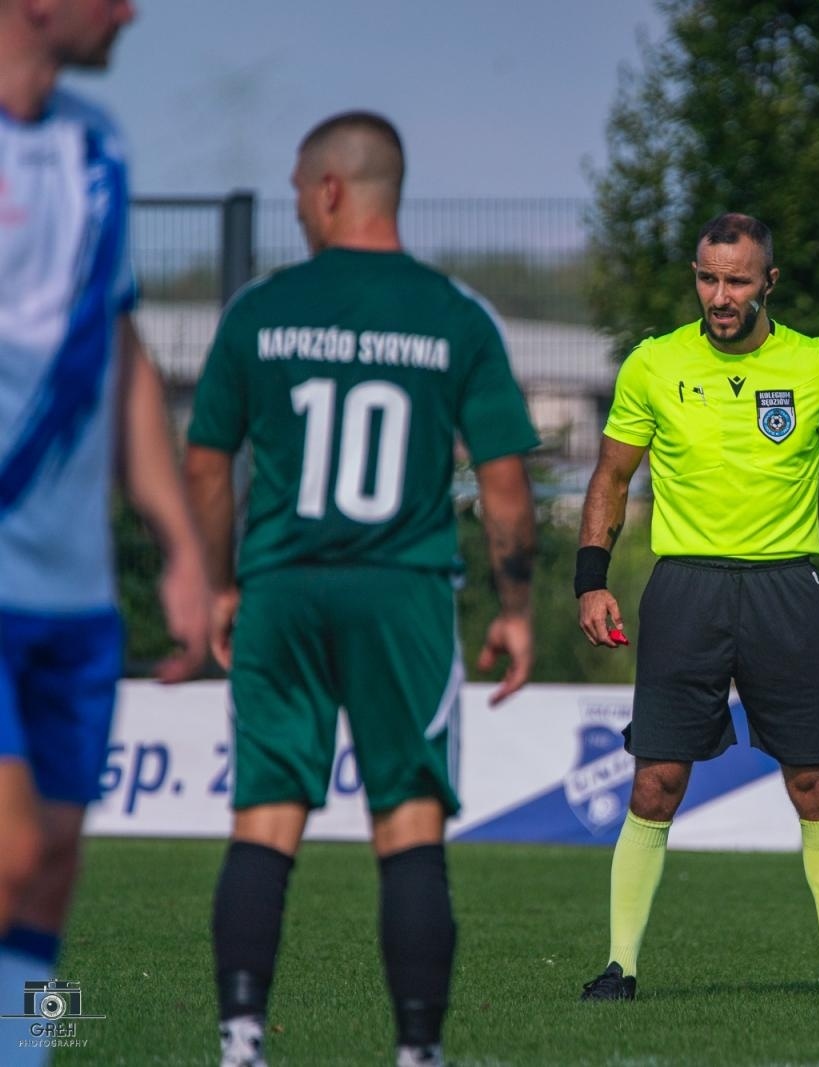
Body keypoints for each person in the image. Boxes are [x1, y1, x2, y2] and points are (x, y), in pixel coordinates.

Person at [183, 111, 540, 1067]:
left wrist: (221, 584)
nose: (297, 205)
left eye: (300, 189)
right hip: (405, 594)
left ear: (331, 189)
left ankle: (242, 1040)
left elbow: (207, 464)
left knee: (265, 814)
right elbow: (505, 483)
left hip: (283, 589)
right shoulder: (455, 313)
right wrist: (515, 607)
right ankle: (417, 1052)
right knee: (409, 821)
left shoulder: (259, 309)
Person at [574, 212, 819, 1003]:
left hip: (785, 591)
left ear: (769, 281)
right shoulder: (654, 363)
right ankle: (619, 965)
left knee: (818, 786)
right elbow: (608, 477)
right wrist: (590, 579)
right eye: (707, 277)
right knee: (656, 780)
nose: (719, 295)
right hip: (686, 587)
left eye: (736, 280)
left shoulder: (817, 366)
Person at [0, 1, 210, 1060]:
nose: (132, 10)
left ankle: (23, 1048)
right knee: (9, 845)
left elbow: (120, 348)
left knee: (54, 864)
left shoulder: (97, 146)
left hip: (74, 586)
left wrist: (177, 542)